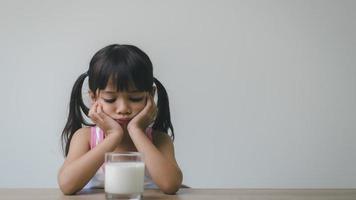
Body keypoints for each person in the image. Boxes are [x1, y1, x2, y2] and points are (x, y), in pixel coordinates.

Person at [58, 44, 183, 195]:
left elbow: (170, 185)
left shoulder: (159, 140)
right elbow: (67, 185)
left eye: (135, 98)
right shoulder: (85, 138)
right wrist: (113, 136)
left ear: (150, 95)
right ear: (93, 97)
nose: (123, 108)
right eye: (110, 99)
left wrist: (136, 130)